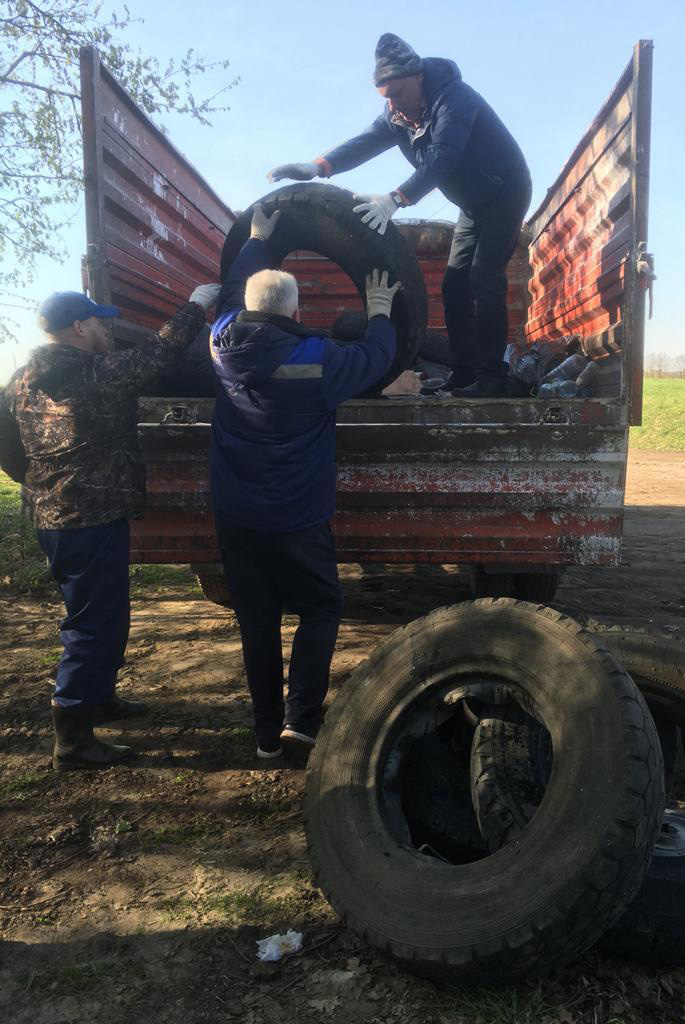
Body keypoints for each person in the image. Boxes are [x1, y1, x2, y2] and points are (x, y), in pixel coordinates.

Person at [0, 284, 221, 769]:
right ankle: (73, 737)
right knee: (91, 623)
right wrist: (196, 305)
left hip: (58, 516)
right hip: (89, 518)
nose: (107, 329)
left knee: (106, 613)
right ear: (80, 328)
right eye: (100, 322)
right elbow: (161, 350)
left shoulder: (19, 380)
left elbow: (7, 445)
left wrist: (41, 482)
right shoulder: (99, 373)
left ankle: (98, 697)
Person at [209, 205, 402, 759]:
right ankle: (301, 722)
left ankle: (266, 734)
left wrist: (256, 239)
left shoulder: (220, 341)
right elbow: (377, 355)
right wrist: (380, 310)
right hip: (297, 516)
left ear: (247, 308)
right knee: (319, 608)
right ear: (296, 310)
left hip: (237, 515)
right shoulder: (320, 359)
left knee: (257, 621)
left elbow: (230, 295)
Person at [269, 32, 532, 399]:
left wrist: (396, 199)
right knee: (454, 286)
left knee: (484, 278)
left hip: (505, 192)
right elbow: (365, 142)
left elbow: (444, 157)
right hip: (472, 207)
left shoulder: (455, 99)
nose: (392, 105)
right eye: (385, 98)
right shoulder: (397, 114)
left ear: (418, 77)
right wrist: (317, 167)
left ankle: (493, 378)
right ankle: (465, 372)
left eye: (396, 94)